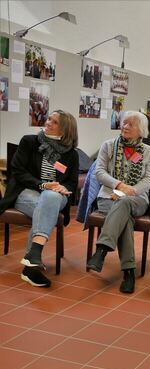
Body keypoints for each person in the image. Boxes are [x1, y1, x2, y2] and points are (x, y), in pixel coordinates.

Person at [0, 110, 79, 287]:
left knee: (50, 197)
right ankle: (32, 264)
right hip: (26, 191)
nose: (48, 122)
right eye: (49, 118)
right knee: (45, 205)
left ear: (65, 130)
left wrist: (61, 187)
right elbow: (18, 172)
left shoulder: (71, 154)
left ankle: (33, 256)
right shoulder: (29, 141)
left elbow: (72, 183)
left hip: (56, 197)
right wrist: (43, 185)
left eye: (54, 121)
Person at [86, 111, 150, 294]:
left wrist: (131, 191)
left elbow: (149, 180)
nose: (125, 127)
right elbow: (99, 172)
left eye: (130, 124)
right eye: (124, 123)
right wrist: (118, 185)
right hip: (108, 196)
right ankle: (128, 272)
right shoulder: (108, 146)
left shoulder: (149, 152)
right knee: (124, 218)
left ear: (141, 130)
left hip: (136, 198)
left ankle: (101, 250)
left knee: (125, 204)